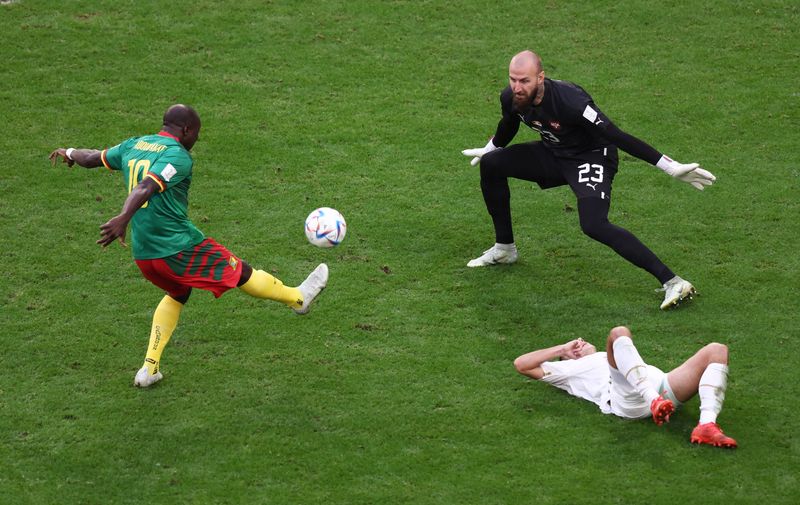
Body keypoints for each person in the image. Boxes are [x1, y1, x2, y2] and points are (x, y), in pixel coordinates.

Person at [49, 104, 329, 388]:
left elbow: (94, 157)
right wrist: (123, 218)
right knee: (241, 272)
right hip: (178, 248)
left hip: (145, 254)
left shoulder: (136, 144)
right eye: (196, 133)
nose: (196, 139)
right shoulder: (177, 156)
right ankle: (298, 298)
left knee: (178, 292)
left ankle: (149, 369)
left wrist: (69, 152)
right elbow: (144, 187)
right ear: (186, 130)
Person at [462, 50, 717, 310]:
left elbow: (617, 135)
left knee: (594, 224)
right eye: (513, 79)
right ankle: (505, 249)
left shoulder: (571, 102)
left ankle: (673, 281)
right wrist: (490, 148)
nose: (517, 87)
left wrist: (670, 168)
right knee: (492, 164)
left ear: (540, 77)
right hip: (555, 153)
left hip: (592, 157)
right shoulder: (511, 97)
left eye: (524, 81)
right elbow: (509, 123)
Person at [513, 325, 737, 448]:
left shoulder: (612, 357)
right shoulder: (569, 371)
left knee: (717, 350)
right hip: (627, 399)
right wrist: (561, 350)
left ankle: (707, 425)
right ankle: (654, 401)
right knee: (618, 333)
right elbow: (521, 364)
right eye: (574, 348)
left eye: (579, 342)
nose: (578, 345)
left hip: (664, 385)